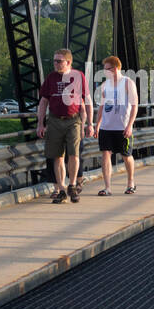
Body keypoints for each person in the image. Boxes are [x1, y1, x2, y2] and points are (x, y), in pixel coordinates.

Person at [36, 48, 94, 203]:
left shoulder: (78, 76)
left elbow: (87, 102)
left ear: (68, 62)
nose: (55, 64)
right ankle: (61, 189)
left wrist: (90, 124)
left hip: (73, 120)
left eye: (59, 61)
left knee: (73, 154)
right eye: (54, 60)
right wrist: (40, 123)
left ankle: (73, 185)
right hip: (54, 120)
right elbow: (43, 102)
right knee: (57, 156)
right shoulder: (51, 78)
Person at [95, 55, 139, 196]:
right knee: (105, 154)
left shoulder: (127, 83)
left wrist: (130, 125)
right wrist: (97, 125)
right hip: (106, 127)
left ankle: (130, 182)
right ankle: (107, 187)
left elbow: (134, 106)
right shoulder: (104, 85)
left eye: (106, 69)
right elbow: (101, 107)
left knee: (126, 155)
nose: (105, 72)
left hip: (122, 126)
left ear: (114, 69)